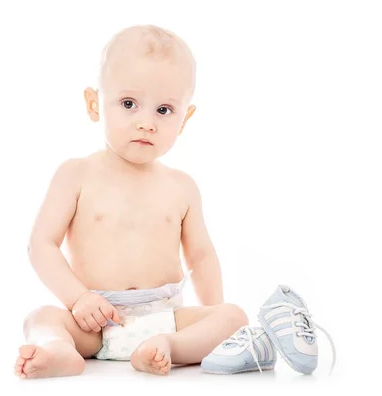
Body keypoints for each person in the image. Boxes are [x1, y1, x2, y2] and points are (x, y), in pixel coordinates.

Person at [13, 24, 248, 378]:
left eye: (164, 110)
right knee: (41, 317)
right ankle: (59, 351)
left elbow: (201, 255)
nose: (146, 123)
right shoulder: (76, 175)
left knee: (233, 316)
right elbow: (41, 245)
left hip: (166, 319)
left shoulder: (182, 186)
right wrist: (79, 300)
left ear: (185, 119)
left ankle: (172, 348)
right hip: (94, 321)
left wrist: (211, 317)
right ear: (94, 104)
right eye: (129, 104)